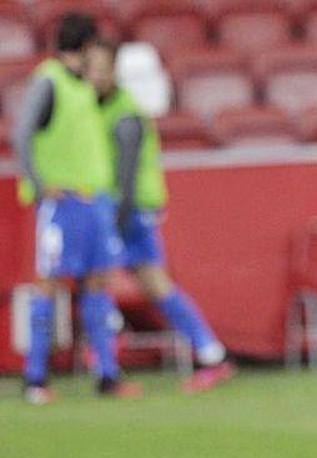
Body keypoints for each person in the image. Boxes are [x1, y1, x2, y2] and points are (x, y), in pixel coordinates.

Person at [85, 38, 236, 393]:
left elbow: (124, 173)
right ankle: (210, 353)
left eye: (102, 69)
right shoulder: (102, 109)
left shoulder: (125, 115)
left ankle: (109, 353)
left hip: (130, 210)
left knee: (107, 282)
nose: (96, 76)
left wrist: (115, 219)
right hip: (124, 208)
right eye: (92, 69)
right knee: (148, 284)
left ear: (113, 73)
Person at [13, 13, 141, 404]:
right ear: (84, 47)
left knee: (99, 284)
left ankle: (106, 372)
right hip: (62, 201)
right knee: (49, 284)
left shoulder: (84, 85)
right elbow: (21, 134)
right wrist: (38, 184)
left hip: (94, 199)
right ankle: (35, 377)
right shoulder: (48, 81)